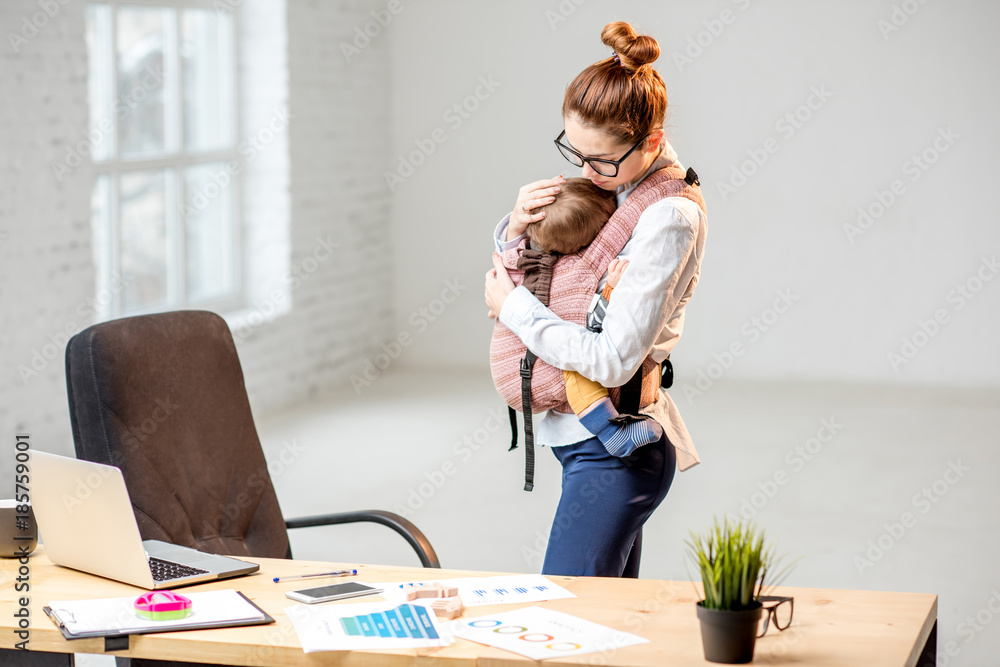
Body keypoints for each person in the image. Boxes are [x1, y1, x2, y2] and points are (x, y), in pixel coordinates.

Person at [484, 21, 708, 578]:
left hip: (616, 452)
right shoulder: (618, 183)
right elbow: (565, 273)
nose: (586, 173)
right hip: (582, 447)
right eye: (573, 152)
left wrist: (514, 309)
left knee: (567, 612)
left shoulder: (667, 217)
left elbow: (612, 359)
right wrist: (516, 226)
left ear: (651, 141)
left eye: (602, 161)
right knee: (606, 626)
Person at [501, 177, 663, 457]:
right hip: (524, 371)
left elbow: (506, 262)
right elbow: (593, 324)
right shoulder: (575, 281)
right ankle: (611, 432)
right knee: (578, 367)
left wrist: (514, 228)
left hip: (513, 367)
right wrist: (611, 289)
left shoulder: (527, 259)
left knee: (573, 355)